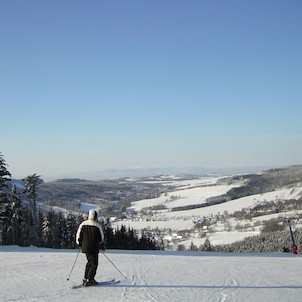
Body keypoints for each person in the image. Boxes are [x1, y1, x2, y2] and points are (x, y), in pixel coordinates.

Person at [76, 209, 105, 286]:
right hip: (94, 248)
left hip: (85, 247)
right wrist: (101, 245)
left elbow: (79, 235)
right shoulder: (97, 225)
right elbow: (101, 238)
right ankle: (90, 279)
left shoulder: (83, 224)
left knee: (89, 262)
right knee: (94, 263)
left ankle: (85, 278)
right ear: (95, 216)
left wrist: (79, 244)